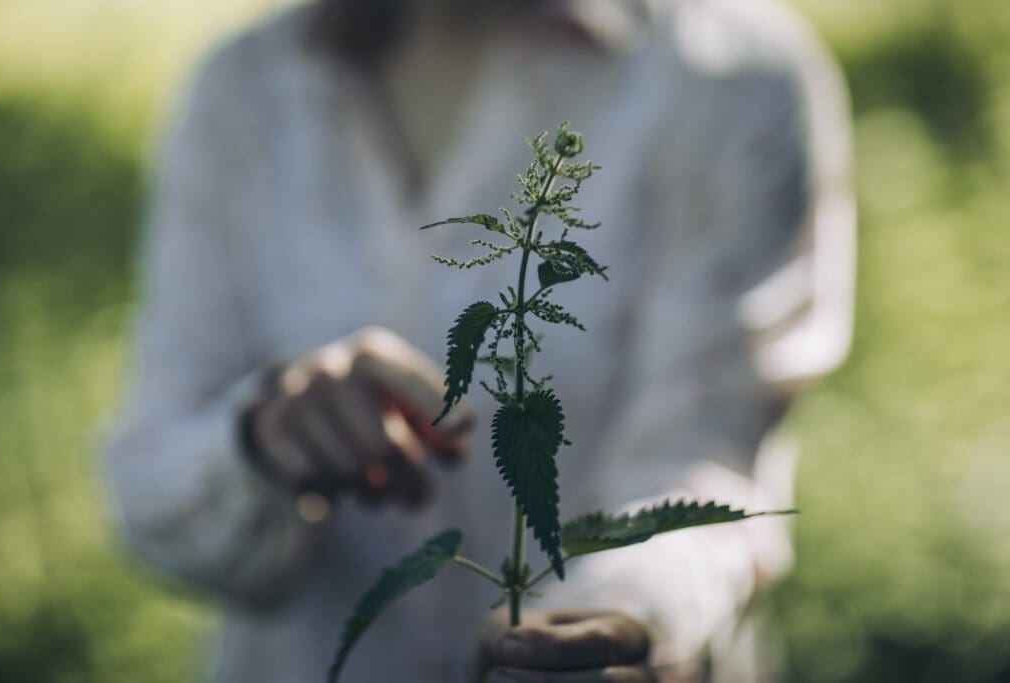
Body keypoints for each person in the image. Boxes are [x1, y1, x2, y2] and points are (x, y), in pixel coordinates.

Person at [104, 0, 855, 681]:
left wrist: (634, 610)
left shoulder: (726, 75)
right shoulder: (245, 91)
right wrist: (264, 438)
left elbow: (701, 453)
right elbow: (151, 484)